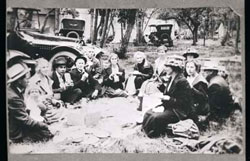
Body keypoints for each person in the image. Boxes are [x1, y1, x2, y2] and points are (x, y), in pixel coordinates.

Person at [142, 55, 193, 138]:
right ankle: (144, 131)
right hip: (170, 106)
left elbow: (184, 102)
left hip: (178, 111)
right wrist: (161, 86)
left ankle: (153, 135)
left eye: (167, 66)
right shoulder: (171, 78)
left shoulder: (182, 81)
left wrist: (169, 99)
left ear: (174, 68)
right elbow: (170, 92)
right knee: (148, 113)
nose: (164, 68)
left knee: (155, 117)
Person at [7, 62, 53, 143]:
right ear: (19, 81)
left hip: (17, 123)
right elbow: (25, 120)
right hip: (16, 132)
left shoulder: (13, 89)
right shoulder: (13, 97)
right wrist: (43, 125)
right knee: (45, 132)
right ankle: (23, 139)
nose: (28, 80)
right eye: (26, 78)